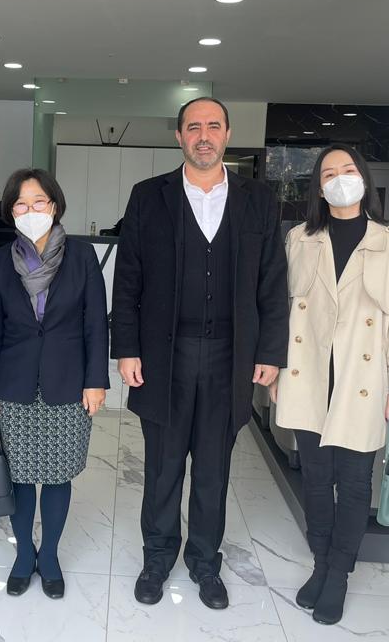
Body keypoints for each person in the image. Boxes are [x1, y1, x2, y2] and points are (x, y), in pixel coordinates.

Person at [112, 97, 289, 610]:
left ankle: (205, 562)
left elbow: (272, 281)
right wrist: (126, 348)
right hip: (162, 355)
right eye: (194, 127)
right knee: (163, 466)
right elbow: (128, 279)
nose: (204, 135)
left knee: (213, 469)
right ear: (179, 136)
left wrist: (270, 351)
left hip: (230, 357)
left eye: (213, 126)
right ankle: (157, 557)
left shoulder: (259, 199)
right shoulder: (149, 196)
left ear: (227, 134)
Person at [272, 143, 389, 625]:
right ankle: (321, 563)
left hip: (363, 381)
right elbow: (280, 310)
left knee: (354, 485)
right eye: (329, 174)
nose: (339, 180)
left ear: (363, 178)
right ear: (318, 187)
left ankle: (338, 575)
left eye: (348, 170)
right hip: (308, 378)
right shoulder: (299, 240)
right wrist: (274, 369)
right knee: (315, 482)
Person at [0, 169, 109, 600]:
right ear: (10, 211)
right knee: (17, 476)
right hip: (12, 383)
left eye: (39, 202)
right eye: (21, 203)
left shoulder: (82, 256)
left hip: (68, 382)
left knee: (56, 475)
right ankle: (23, 555)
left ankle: (48, 554)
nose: (30, 210)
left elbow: (95, 323)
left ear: (54, 205)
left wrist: (96, 381)